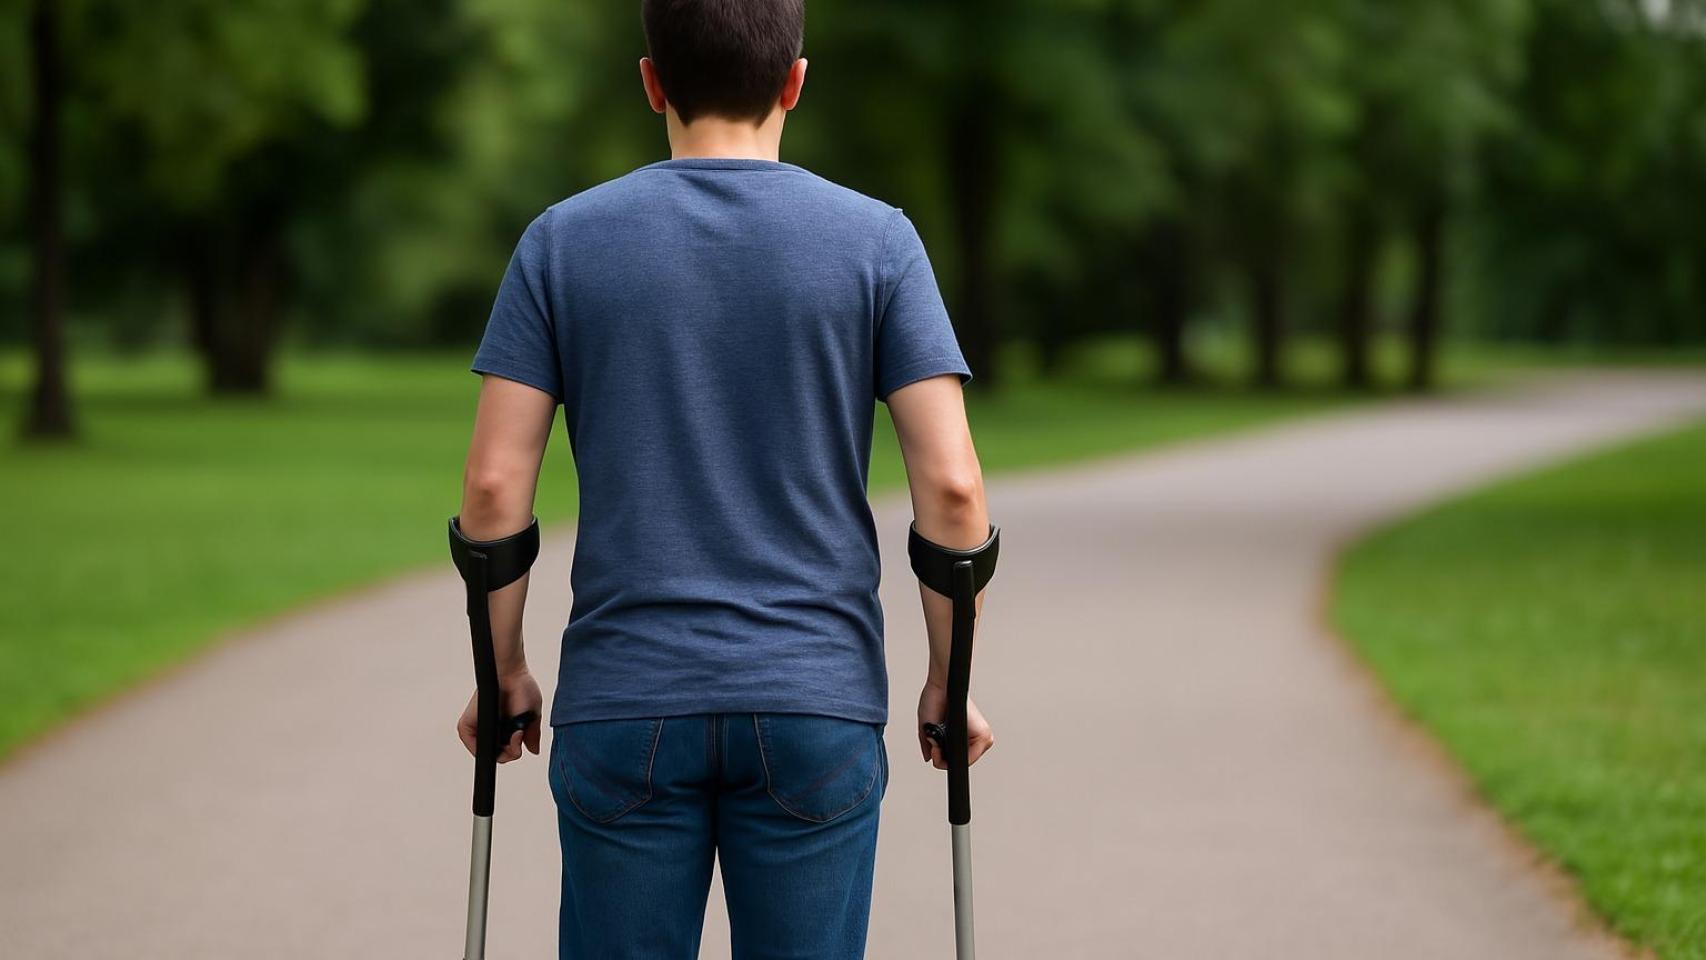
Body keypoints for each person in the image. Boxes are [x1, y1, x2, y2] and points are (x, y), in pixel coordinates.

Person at [452, 1, 995, 956]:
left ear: (652, 81)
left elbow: (496, 488)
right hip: (813, 699)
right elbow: (952, 490)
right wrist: (948, 684)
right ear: (794, 81)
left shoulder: (560, 243)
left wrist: (501, 675)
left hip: (625, 697)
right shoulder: (879, 243)